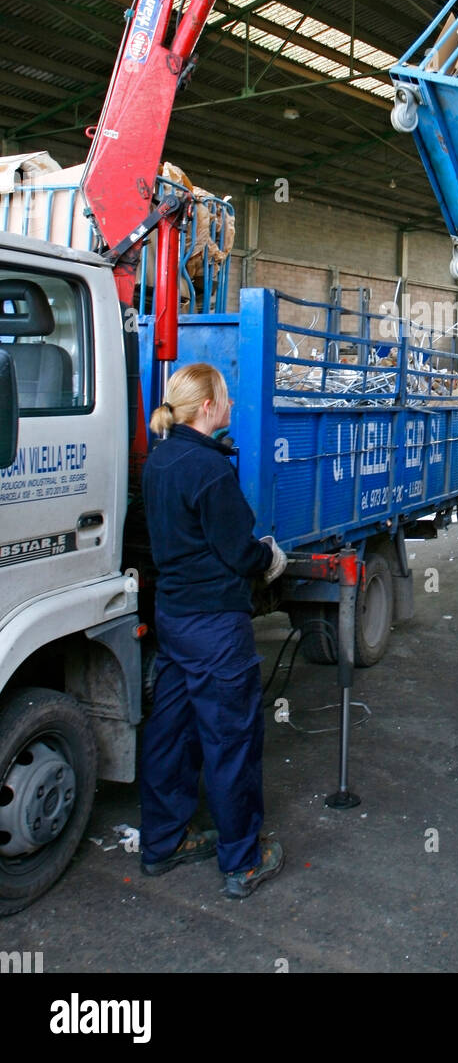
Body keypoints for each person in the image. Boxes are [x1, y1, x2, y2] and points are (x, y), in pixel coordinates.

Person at [138, 362, 288, 899]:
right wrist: (268, 557)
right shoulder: (209, 469)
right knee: (231, 739)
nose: (229, 406)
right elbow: (238, 551)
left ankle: (161, 842)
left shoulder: (159, 461)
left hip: (173, 618)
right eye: (224, 398)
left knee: (171, 734)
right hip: (216, 627)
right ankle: (243, 861)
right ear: (207, 407)